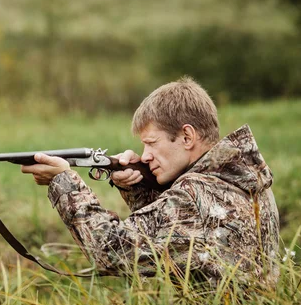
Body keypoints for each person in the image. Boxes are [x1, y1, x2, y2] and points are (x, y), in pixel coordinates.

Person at [21, 77, 280, 287]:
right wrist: (139, 188)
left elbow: (113, 253)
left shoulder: (193, 193)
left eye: (151, 143)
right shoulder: (244, 180)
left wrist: (64, 181)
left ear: (187, 137)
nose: (145, 155)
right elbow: (180, 239)